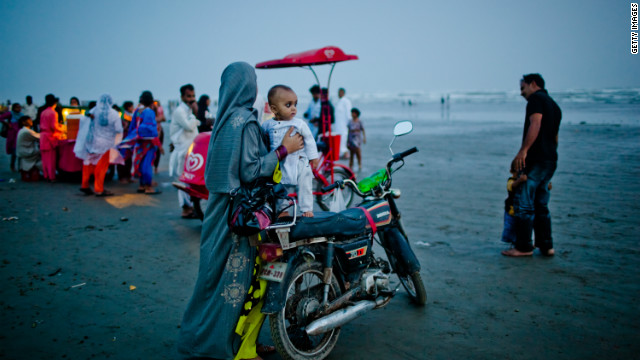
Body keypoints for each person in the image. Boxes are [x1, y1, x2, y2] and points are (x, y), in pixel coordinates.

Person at [177, 62, 304, 360]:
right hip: (239, 216)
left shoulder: (224, 120)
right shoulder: (245, 121)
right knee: (237, 283)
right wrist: (284, 149)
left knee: (211, 280)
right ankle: (229, 347)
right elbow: (251, 171)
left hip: (218, 211)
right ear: (249, 86)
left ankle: (215, 340)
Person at [502, 73, 562, 257]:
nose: (522, 93)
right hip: (550, 159)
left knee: (525, 204)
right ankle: (546, 245)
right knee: (541, 205)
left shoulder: (536, 99)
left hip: (536, 159)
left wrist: (523, 151)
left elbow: (535, 123)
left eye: (522, 88)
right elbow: (555, 137)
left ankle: (524, 247)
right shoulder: (554, 105)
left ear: (533, 84)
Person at [262, 85, 319, 217]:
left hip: (299, 161)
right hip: (280, 163)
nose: (293, 108)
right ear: (274, 109)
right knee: (280, 187)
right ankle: (284, 210)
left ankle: (306, 209)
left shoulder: (299, 124)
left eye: (295, 104)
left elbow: (309, 140)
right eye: (288, 105)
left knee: (305, 184)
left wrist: (313, 158)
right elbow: (263, 139)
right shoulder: (267, 125)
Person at [74, 94, 123, 196]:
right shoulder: (114, 114)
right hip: (106, 144)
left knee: (88, 163)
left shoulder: (94, 111)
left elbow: (84, 118)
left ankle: (85, 185)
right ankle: (99, 189)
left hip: (91, 142)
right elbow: (119, 129)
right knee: (101, 166)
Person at [120, 91, 161, 194]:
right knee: (147, 163)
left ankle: (141, 186)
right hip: (149, 142)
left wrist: (132, 139)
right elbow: (153, 130)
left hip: (138, 142)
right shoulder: (150, 112)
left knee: (140, 162)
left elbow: (132, 127)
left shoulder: (137, 111)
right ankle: (148, 187)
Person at [169, 84, 200, 218]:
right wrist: (195, 117)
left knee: (190, 179)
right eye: (188, 96)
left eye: (193, 96)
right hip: (182, 151)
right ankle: (185, 208)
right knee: (183, 179)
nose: (192, 99)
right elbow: (188, 126)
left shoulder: (187, 110)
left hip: (190, 150)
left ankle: (191, 207)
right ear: (182, 97)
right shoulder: (180, 111)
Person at [39, 94, 65, 182]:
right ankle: (52, 177)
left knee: (45, 159)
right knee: (51, 159)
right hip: (49, 137)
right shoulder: (53, 113)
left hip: (43, 137)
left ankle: (46, 175)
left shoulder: (43, 112)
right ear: (55, 103)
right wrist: (63, 129)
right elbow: (54, 126)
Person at [501, 170, 527, 245]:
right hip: (511, 211)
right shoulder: (511, 181)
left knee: (522, 229)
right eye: (517, 171)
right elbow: (512, 186)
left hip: (521, 211)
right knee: (511, 229)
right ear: (512, 171)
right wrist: (520, 180)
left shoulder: (526, 181)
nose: (520, 173)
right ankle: (513, 243)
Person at [15, 115, 42, 181]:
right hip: (27, 151)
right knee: (44, 152)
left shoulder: (23, 130)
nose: (31, 121)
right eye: (29, 120)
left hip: (22, 151)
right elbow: (40, 137)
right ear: (23, 122)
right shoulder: (26, 131)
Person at [117, 101, 135, 183]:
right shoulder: (123, 116)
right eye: (131, 107)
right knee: (122, 158)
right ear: (128, 107)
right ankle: (122, 177)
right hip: (123, 139)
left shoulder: (130, 116)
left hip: (129, 140)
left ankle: (128, 176)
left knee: (129, 159)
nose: (133, 108)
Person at [4, 103, 23, 171]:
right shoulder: (10, 114)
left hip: (19, 134)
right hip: (12, 134)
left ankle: (20, 167)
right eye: (17, 107)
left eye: (19, 107)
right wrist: (7, 124)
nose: (19, 109)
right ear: (14, 108)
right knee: (14, 152)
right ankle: (12, 166)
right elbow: (1, 118)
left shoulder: (21, 115)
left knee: (20, 152)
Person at [334, 87, 352, 159]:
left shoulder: (346, 101)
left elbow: (348, 113)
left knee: (344, 138)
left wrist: (349, 123)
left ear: (343, 93)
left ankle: (346, 153)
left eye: (341, 92)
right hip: (339, 125)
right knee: (340, 138)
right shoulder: (339, 101)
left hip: (344, 124)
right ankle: (342, 153)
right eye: (338, 92)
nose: (339, 94)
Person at [347, 107, 366, 171]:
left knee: (358, 152)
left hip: (357, 138)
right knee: (351, 152)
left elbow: (363, 130)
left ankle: (359, 164)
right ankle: (351, 165)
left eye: (353, 113)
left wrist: (364, 138)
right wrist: (347, 140)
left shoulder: (359, 121)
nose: (352, 114)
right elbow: (348, 131)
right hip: (351, 138)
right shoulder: (350, 121)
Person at [152, 100, 166, 174]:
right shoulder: (150, 110)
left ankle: (156, 167)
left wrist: (157, 119)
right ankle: (153, 167)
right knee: (153, 150)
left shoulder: (160, 108)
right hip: (153, 132)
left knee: (158, 150)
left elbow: (164, 118)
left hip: (159, 131)